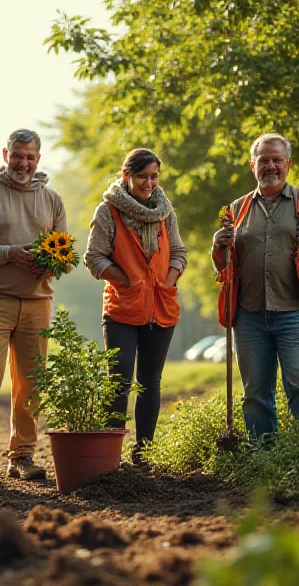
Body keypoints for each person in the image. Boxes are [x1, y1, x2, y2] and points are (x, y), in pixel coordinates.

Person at [212, 133, 299, 440]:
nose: (270, 166)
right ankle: (264, 459)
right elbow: (225, 267)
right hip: (250, 315)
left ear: (288, 164)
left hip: (298, 312)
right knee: (256, 393)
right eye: (263, 160)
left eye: (277, 160)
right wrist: (218, 248)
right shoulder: (237, 208)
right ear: (252, 165)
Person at [0, 128, 67, 481]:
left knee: (32, 381)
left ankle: (22, 455)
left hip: (38, 302)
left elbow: (64, 254)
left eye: (30, 157)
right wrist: (10, 254)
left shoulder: (53, 200)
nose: (23, 163)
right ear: (6, 155)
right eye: (17, 155)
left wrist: (48, 262)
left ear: (38, 159)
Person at [84, 148, 188, 463]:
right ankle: (109, 455)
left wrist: (168, 281)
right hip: (122, 310)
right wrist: (126, 279)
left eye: (154, 176)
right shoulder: (108, 211)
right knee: (119, 381)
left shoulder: (165, 212)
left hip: (161, 308)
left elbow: (179, 253)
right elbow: (94, 257)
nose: (149, 183)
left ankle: (144, 453)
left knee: (149, 382)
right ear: (126, 176)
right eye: (142, 176)